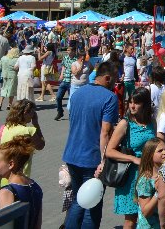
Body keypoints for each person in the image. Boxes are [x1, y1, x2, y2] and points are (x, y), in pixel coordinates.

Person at [63, 61, 119, 229]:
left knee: (77, 200)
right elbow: (105, 132)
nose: (116, 84)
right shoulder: (110, 97)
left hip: (72, 154)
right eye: (115, 80)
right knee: (92, 204)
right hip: (92, 158)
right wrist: (103, 160)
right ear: (107, 78)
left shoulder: (77, 93)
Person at [107, 88, 156, 229]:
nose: (132, 106)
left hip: (149, 173)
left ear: (145, 104)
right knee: (131, 219)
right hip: (131, 176)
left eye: (136, 103)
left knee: (149, 216)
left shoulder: (152, 121)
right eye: (130, 102)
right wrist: (132, 158)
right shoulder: (125, 123)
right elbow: (110, 151)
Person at [0, 99, 45, 193]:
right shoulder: (28, 131)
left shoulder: (4, 128)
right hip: (18, 180)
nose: (33, 114)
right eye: (32, 112)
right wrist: (36, 123)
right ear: (25, 112)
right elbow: (41, 145)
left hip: (2, 177)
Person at [0, 134, 43, 229]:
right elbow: (38, 225)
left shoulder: (7, 193)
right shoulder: (35, 186)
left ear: (11, 164)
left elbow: (5, 226)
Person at [134, 137, 165, 229]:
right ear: (150, 155)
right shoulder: (145, 180)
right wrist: (158, 192)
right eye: (160, 151)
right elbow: (146, 212)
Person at [54, 45, 78, 121]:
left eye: (69, 50)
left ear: (73, 51)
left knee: (71, 99)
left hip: (72, 81)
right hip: (65, 80)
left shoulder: (76, 59)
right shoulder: (65, 57)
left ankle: (72, 113)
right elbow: (63, 66)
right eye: (67, 50)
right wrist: (61, 75)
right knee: (58, 97)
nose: (67, 51)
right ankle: (60, 111)